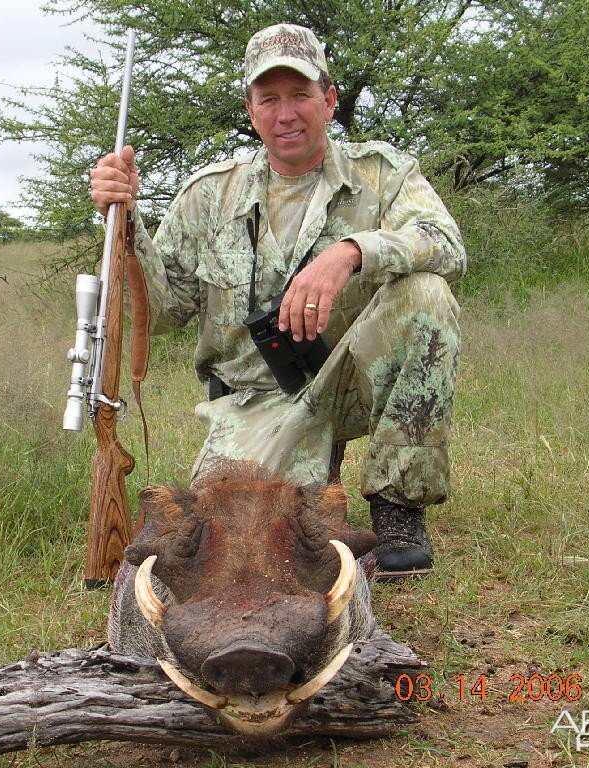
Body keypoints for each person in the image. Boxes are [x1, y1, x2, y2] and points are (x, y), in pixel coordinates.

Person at [90, 23, 465, 580]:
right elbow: (165, 311)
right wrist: (125, 226)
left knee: (427, 293)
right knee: (234, 546)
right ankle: (311, 465)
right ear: (251, 109)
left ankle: (397, 511)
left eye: (300, 95)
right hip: (254, 402)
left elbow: (447, 244)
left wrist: (351, 252)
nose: (286, 114)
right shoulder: (208, 193)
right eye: (269, 99)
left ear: (329, 100)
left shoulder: (383, 173)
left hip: (350, 380)